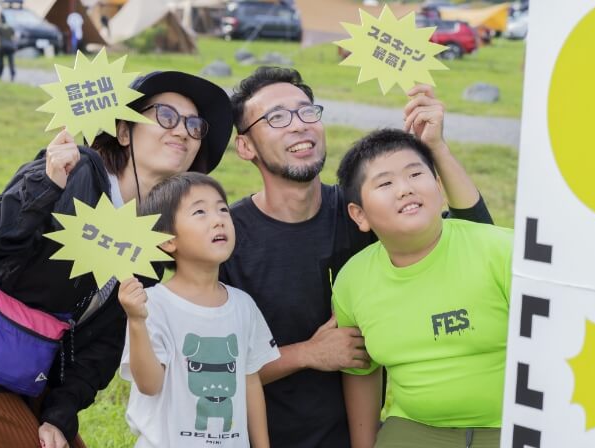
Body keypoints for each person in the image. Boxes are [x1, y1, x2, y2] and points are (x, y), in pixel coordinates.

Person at [219, 66, 493, 447]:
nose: (299, 125)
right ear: (245, 146)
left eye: (306, 111)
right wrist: (307, 354)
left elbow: (476, 242)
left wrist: (436, 149)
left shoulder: (360, 213)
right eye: (277, 117)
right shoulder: (226, 236)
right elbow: (207, 367)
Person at [0, 70, 233, 448]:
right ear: (123, 132)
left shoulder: (152, 243)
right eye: (166, 116)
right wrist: (45, 184)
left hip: (32, 376)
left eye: (195, 125)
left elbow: (104, 346)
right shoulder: (76, 172)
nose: (182, 131)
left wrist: (60, 414)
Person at [333, 129, 512, 447]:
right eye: (385, 183)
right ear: (359, 215)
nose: (405, 189)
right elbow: (360, 370)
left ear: (439, 188)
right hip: (416, 427)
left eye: (415, 174)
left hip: (509, 425)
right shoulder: (352, 281)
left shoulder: (501, 250)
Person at [118, 173, 280, 448]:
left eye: (223, 209)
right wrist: (136, 321)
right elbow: (149, 385)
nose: (218, 220)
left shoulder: (243, 305)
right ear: (168, 241)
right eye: (200, 212)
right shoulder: (153, 304)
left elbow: (250, 382)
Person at [0, 13, 16, 81]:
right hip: (10, 47)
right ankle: (12, 74)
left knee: (0, 62)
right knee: (11, 62)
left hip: (2, 47)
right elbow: (13, 38)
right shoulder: (10, 27)